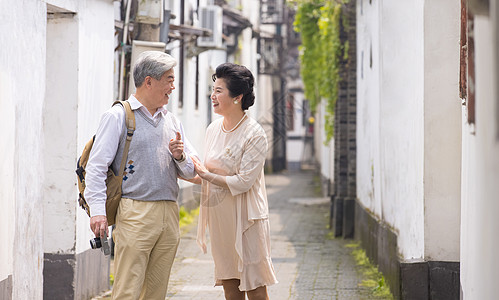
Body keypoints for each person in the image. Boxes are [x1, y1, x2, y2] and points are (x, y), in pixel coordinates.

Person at [84, 51, 197, 300]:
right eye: (168, 79)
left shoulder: (172, 122)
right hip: (135, 212)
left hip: (169, 212)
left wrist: (180, 157)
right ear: (149, 81)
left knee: (156, 292)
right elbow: (96, 166)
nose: (172, 86)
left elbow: (191, 170)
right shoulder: (118, 116)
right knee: (127, 290)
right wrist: (98, 211)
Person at [191, 63, 278, 300]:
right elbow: (205, 174)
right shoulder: (212, 129)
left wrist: (205, 174)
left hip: (247, 218)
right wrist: (180, 162)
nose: (213, 95)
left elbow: (243, 182)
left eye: (219, 91)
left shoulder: (254, 133)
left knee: (256, 289)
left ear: (237, 97)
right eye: (213, 89)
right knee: (230, 286)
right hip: (222, 219)